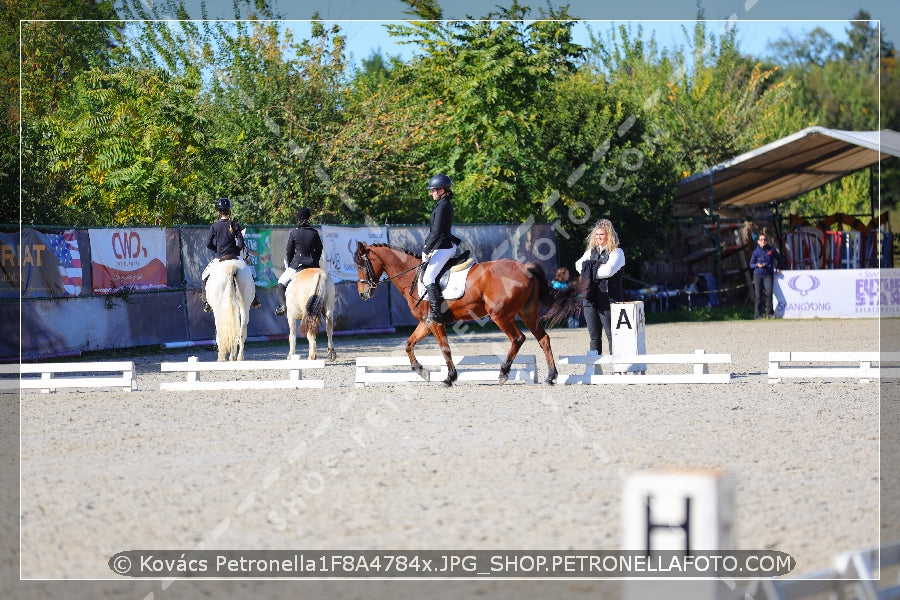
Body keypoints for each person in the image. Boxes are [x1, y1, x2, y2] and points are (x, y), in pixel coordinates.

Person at [574, 219, 625, 354]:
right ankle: (595, 370)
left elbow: (608, 271)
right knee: (594, 337)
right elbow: (578, 265)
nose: (598, 237)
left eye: (601, 234)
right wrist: (597, 266)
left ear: (609, 235)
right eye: (596, 235)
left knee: (612, 335)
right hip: (590, 298)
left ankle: (618, 369)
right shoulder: (590, 251)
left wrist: (589, 267)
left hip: (609, 298)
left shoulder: (618, 252)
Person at [201, 197, 260, 312]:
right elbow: (241, 243)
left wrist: (217, 249)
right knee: (251, 273)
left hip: (220, 258)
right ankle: (254, 298)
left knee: (204, 276)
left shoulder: (214, 226)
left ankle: (207, 302)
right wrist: (235, 250)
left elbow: (208, 244)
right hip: (236, 257)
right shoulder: (234, 225)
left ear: (219, 212)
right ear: (229, 211)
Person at [421, 174, 461, 324]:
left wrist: (426, 250)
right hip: (441, 244)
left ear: (442, 191)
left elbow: (437, 232)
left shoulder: (444, 206)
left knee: (428, 278)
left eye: (433, 190)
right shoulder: (442, 204)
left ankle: (438, 313)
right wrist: (427, 245)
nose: (431, 193)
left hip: (444, 246)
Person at [274, 206, 323, 316]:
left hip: (297, 265)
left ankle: (284, 306)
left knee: (281, 283)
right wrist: (315, 261)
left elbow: (289, 252)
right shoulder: (314, 233)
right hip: (313, 265)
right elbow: (319, 249)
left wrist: (291, 264)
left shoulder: (294, 233)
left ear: (298, 218)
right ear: (309, 218)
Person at [750, 232, 782, 319]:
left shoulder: (771, 250)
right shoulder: (756, 252)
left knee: (769, 293)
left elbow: (779, 259)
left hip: (768, 274)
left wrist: (778, 267)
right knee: (758, 295)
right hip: (758, 274)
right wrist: (757, 265)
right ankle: (758, 315)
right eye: (761, 240)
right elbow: (751, 264)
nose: (763, 241)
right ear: (758, 242)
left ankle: (770, 313)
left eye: (765, 239)